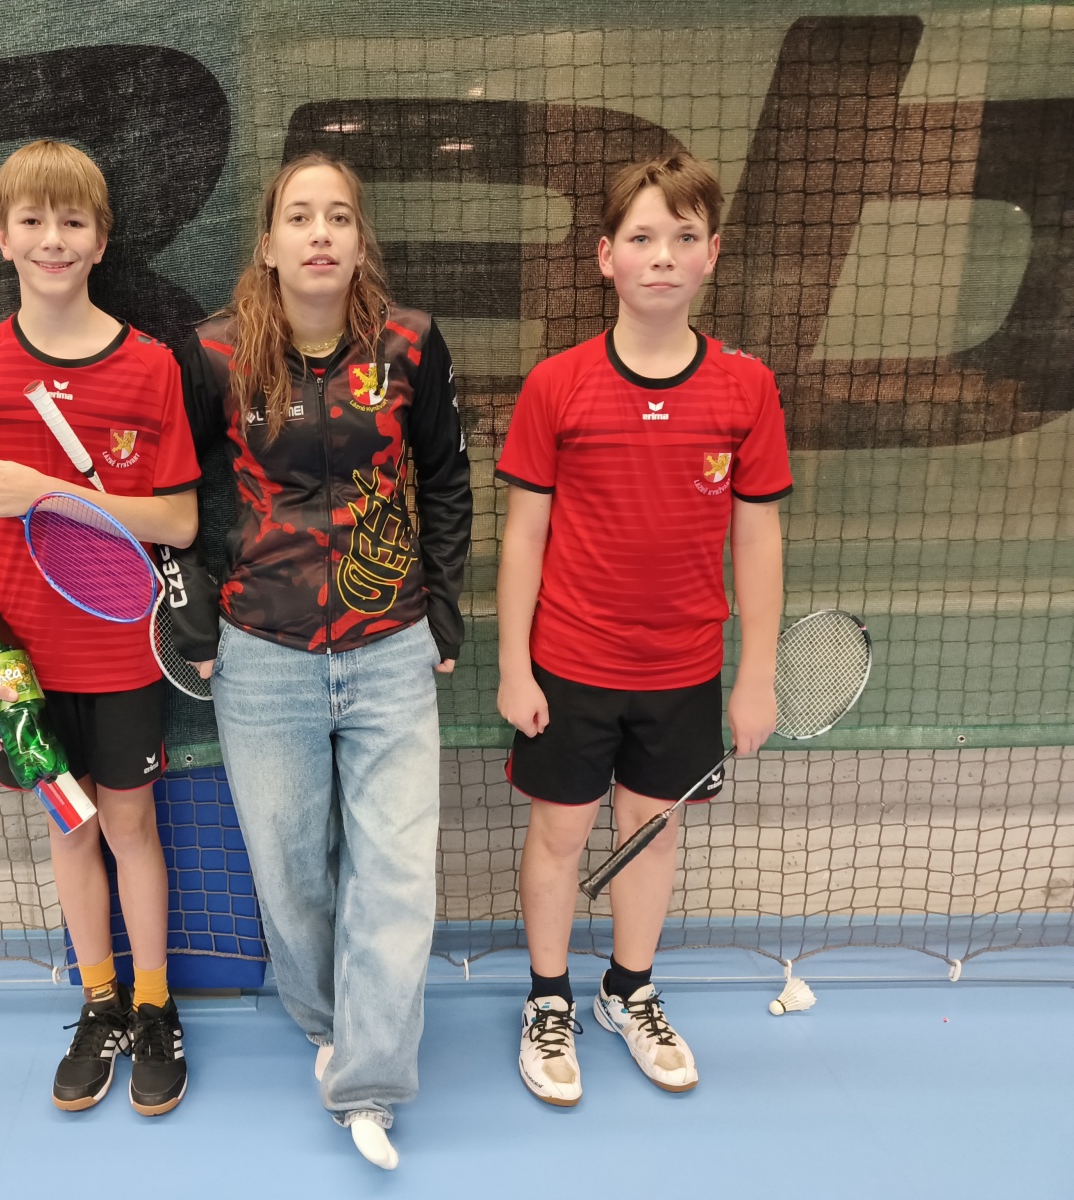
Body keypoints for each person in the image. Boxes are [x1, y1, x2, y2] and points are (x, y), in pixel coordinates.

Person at [172, 152, 472, 1169]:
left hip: (389, 648)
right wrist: (198, 620)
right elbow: (180, 499)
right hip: (263, 655)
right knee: (292, 873)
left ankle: (368, 1082)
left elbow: (446, 479)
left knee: (397, 873)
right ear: (268, 243)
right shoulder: (214, 354)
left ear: (357, 240)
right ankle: (325, 1025)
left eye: (339, 216)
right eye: (300, 216)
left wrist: (441, 613)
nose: (320, 233)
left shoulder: (409, 345)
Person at [495, 151, 792, 1105]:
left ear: (713, 254)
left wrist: (756, 677)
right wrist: (514, 666)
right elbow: (523, 535)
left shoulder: (746, 388)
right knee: (560, 834)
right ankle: (549, 1000)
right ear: (605, 256)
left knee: (652, 835)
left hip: (683, 671)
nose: (662, 255)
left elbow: (758, 537)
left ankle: (629, 990)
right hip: (570, 664)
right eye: (642, 237)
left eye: (683, 236)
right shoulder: (558, 385)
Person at [0, 139, 200, 1116]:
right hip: (18, 671)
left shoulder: (150, 366)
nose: (52, 238)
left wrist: (52, 492)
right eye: (32, 221)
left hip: (123, 656)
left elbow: (179, 521)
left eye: (72, 221)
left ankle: (155, 1006)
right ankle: (100, 1004)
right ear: (2, 238)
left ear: (101, 241)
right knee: (70, 830)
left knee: (129, 825)